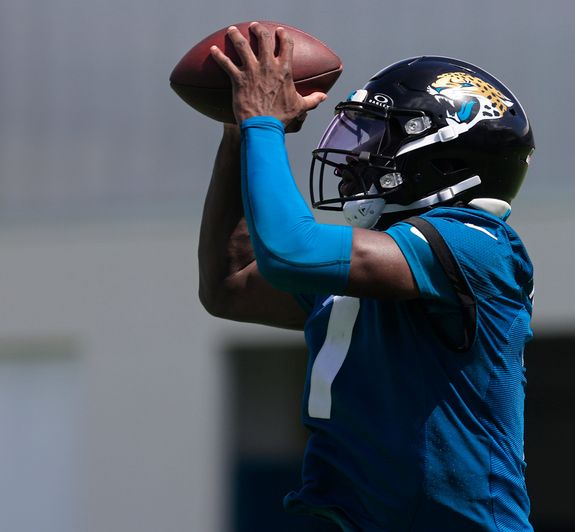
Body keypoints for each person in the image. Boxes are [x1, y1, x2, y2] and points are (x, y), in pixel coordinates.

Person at [199, 22, 536, 531]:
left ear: (440, 153)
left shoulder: (476, 244)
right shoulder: (380, 263)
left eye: (375, 137)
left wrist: (262, 125)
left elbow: (292, 252)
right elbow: (231, 283)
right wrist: (237, 133)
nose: (352, 159)